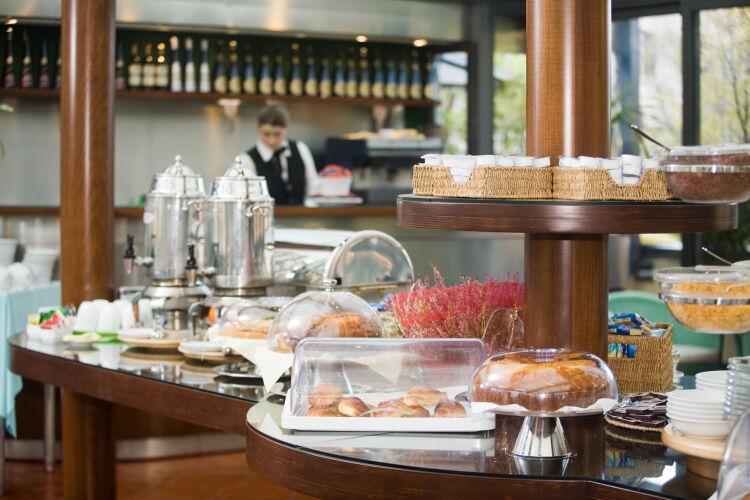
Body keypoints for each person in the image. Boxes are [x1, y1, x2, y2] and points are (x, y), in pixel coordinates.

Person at [237, 104, 318, 205]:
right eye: (266, 134)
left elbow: (313, 187)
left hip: (301, 213)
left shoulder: (300, 148)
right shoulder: (247, 159)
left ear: (286, 128)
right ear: (259, 129)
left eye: (277, 134)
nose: (272, 141)